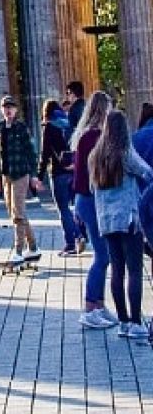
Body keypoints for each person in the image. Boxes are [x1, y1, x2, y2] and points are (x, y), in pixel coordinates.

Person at [88, 109, 152, 338]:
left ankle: (123, 321)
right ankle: (136, 322)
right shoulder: (125, 152)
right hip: (128, 218)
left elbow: (91, 188)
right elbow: (147, 172)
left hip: (105, 219)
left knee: (117, 270)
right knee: (134, 270)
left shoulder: (95, 155)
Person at [71, 89, 116, 329]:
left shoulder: (86, 135)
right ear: (103, 110)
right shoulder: (94, 137)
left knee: (104, 255)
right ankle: (90, 307)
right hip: (91, 199)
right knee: (102, 256)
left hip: (85, 199)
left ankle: (98, 305)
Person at [0, 95, 41, 263]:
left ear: (16, 110)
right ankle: (33, 247)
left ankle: (18, 250)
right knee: (14, 213)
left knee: (18, 213)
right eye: (5, 107)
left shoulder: (21, 128)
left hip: (21, 173)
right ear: (2, 109)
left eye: (11, 107)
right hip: (6, 174)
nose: (8, 110)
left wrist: (34, 175)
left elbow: (31, 152)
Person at [38, 97, 81, 253]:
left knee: (63, 209)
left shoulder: (48, 127)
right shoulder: (69, 125)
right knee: (75, 206)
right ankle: (80, 233)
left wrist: (39, 175)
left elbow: (45, 153)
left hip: (58, 172)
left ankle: (72, 241)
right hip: (74, 170)